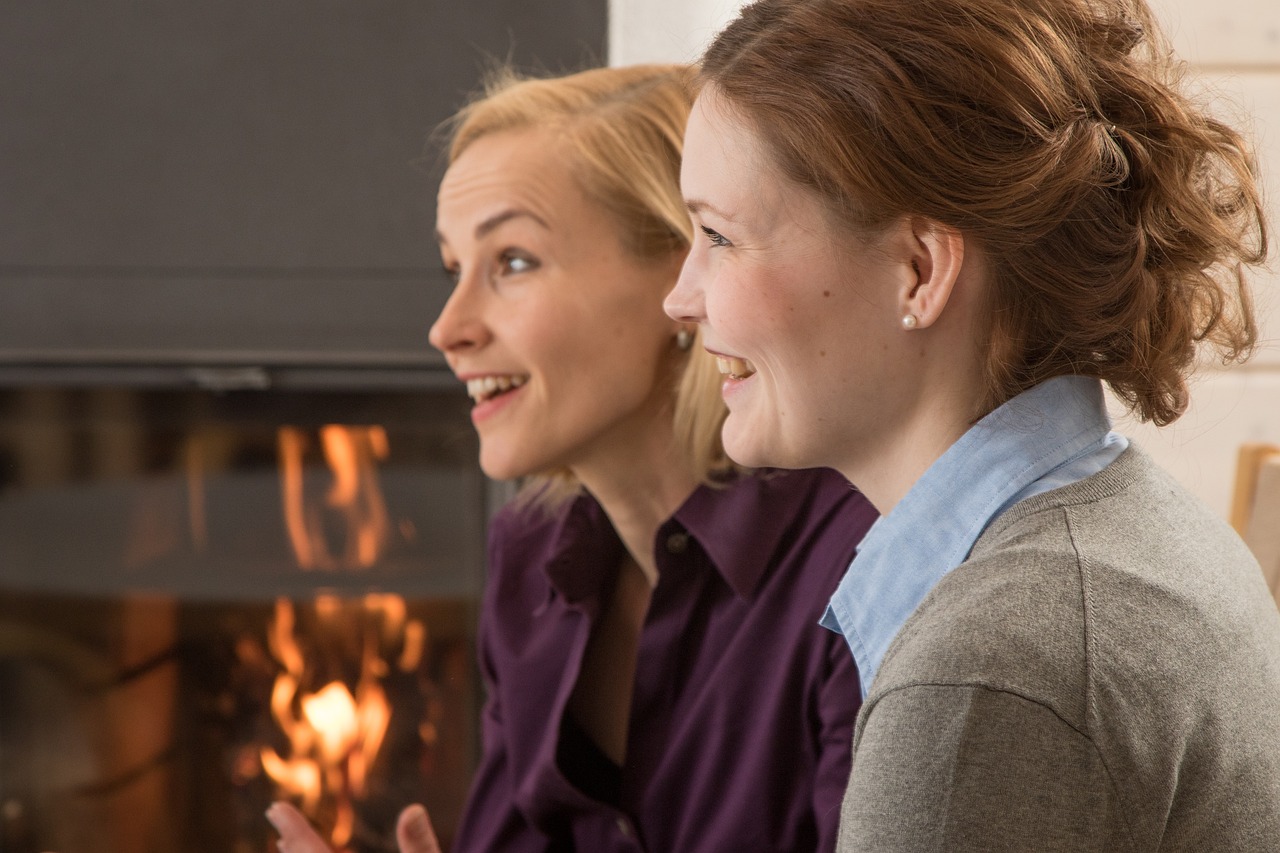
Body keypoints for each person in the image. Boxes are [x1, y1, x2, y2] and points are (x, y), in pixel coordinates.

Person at [663, 0, 1280, 849]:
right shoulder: (1134, 535)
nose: (680, 297)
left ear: (919, 271)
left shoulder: (991, 665)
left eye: (718, 236)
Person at [269, 63, 877, 853]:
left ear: (682, 270)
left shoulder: (857, 567)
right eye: (454, 269)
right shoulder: (531, 562)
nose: (448, 328)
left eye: (513, 262)